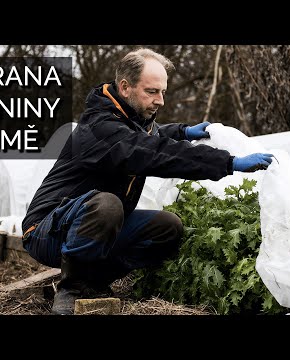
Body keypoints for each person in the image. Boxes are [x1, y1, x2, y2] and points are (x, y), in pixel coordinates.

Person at [21, 48, 274, 315]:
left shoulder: (130, 117)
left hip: (96, 223)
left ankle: (93, 281)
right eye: (152, 92)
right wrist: (228, 162)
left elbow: (151, 134)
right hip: (47, 228)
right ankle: (71, 289)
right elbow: (150, 151)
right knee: (107, 205)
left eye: (163, 92)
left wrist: (183, 131)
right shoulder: (99, 127)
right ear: (125, 87)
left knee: (167, 228)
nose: (160, 101)